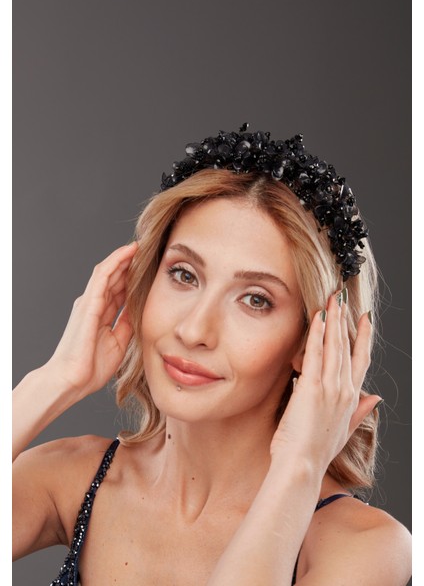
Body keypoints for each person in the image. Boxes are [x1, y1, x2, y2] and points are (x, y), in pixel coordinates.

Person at [13, 127, 412, 585]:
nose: (194, 330)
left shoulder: (362, 546)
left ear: (313, 342)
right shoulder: (73, 478)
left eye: (255, 300)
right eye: (184, 275)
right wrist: (55, 380)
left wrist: (299, 468)